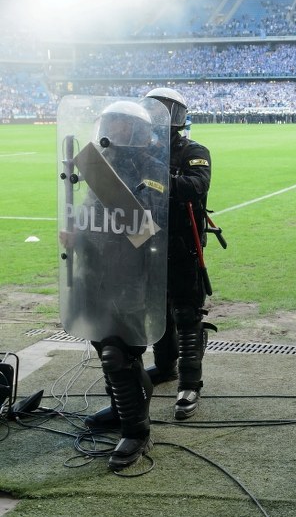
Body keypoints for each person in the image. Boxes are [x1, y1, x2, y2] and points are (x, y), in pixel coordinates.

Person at [65, 100, 170, 469]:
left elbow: (148, 226)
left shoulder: (151, 169)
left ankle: (136, 429)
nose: (111, 132)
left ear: (138, 133)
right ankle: (122, 408)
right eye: (108, 123)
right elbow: (89, 211)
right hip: (95, 272)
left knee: (119, 352)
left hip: (129, 275)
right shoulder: (100, 167)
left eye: (120, 125)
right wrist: (75, 234)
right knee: (102, 341)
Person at [144, 87, 214, 420]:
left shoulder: (193, 150)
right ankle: (164, 367)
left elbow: (194, 186)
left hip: (184, 245)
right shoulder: (141, 150)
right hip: (145, 240)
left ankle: (189, 383)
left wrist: (154, 179)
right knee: (156, 310)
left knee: (186, 314)